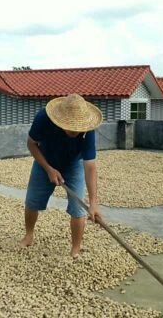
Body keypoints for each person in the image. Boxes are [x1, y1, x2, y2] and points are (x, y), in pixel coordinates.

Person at [20, 93, 103, 258]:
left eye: (77, 128)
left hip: (74, 164)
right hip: (45, 160)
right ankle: (29, 235)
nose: (74, 131)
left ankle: (76, 248)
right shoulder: (44, 117)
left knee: (78, 208)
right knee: (32, 201)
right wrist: (49, 169)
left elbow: (90, 166)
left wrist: (93, 203)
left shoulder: (88, 129)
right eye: (71, 127)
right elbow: (31, 144)